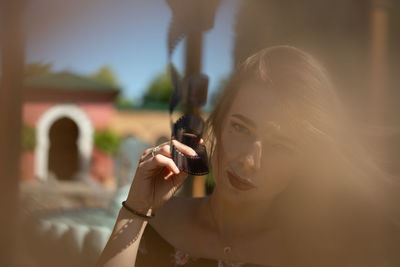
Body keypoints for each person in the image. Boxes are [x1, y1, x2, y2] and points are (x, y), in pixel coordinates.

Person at [95, 45, 400, 267]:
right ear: (219, 122)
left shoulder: (319, 253)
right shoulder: (156, 223)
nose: (249, 161)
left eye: (281, 146)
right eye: (240, 128)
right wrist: (135, 210)